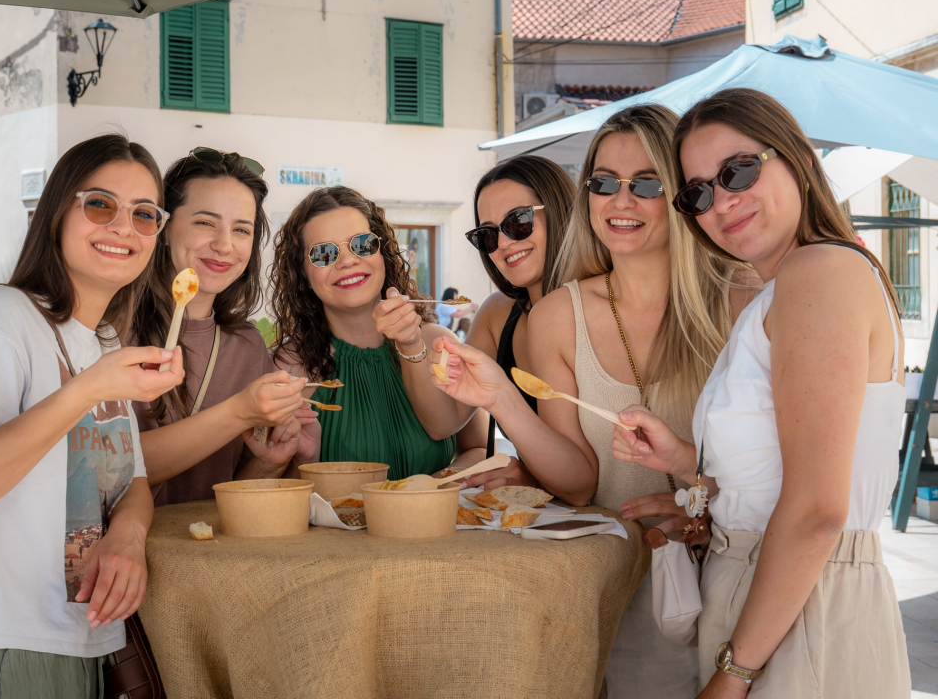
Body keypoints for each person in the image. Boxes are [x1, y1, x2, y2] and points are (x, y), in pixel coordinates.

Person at [433, 105, 754, 697]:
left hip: (739, 579)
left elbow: (783, 466)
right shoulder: (560, 315)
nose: (620, 201)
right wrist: (500, 397)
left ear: (682, 194)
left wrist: (708, 508)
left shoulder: (742, 299)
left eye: (647, 184)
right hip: (620, 588)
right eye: (603, 183)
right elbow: (578, 483)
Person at [613, 88, 911, 698]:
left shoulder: (817, 274)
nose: (722, 200)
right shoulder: (795, 284)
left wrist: (732, 677)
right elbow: (798, 475)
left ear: (798, 157)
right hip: (779, 598)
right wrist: (687, 465)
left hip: (800, 608)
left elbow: (817, 510)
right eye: (698, 192)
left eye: (738, 170)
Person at [0, 135, 185, 698]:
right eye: (100, 204)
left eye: (144, 214)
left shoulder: (100, 345)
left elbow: (131, 484)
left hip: (76, 644)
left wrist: (127, 536)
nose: (124, 227)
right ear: (56, 212)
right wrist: (90, 388)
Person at [129, 148, 315, 505]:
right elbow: (113, 466)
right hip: (120, 555)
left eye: (241, 230)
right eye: (205, 223)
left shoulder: (247, 347)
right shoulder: (113, 332)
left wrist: (267, 464)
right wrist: (240, 411)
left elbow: (228, 496)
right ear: (163, 228)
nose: (224, 245)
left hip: (207, 556)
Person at [268, 186, 468, 479]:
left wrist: (440, 484)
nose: (347, 260)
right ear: (303, 276)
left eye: (362, 244)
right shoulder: (289, 368)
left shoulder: (439, 343)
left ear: (383, 252)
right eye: (324, 254)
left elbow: (475, 448)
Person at [433, 155, 580, 486]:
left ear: (560, 211)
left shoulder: (605, 305)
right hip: (546, 520)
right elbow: (445, 423)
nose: (502, 244)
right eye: (487, 235)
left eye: (518, 220)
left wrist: (537, 478)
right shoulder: (497, 315)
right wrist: (412, 344)